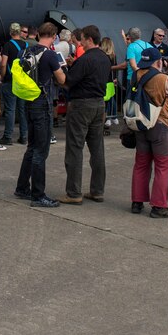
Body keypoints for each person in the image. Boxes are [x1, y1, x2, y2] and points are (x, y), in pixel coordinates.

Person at [129, 46, 168, 218]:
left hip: (141, 123)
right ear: (158, 61)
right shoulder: (161, 78)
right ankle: (159, 206)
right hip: (161, 124)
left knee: (141, 164)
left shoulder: (136, 75)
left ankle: (137, 202)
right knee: (163, 165)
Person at [13, 23, 65, 207]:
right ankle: (38, 194)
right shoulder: (50, 54)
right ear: (52, 35)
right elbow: (62, 79)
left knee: (31, 147)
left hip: (28, 100)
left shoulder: (26, 52)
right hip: (42, 103)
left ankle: (22, 187)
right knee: (41, 151)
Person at [58, 25, 110, 204]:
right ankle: (97, 190)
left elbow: (68, 81)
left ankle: (74, 192)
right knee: (97, 149)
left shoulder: (85, 59)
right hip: (99, 103)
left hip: (81, 104)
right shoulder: (104, 58)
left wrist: (63, 69)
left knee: (74, 148)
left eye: (81, 39)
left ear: (89, 39)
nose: (79, 42)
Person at [0, 24, 29, 144]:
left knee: (10, 109)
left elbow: (3, 63)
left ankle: (8, 136)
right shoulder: (26, 45)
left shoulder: (7, 45)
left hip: (10, 80)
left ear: (11, 32)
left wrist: (2, 76)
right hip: (22, 80)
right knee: (22, 109)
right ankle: (23, 136)